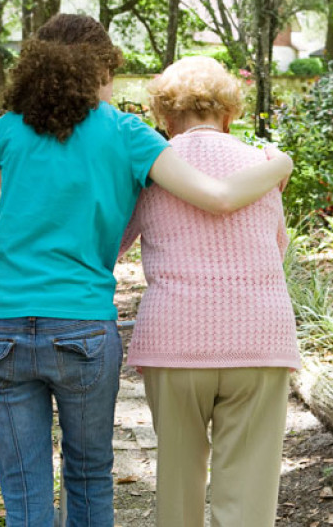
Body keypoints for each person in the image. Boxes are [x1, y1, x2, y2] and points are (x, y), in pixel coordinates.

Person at [0, 16, 292, 527]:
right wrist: (279, 166)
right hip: (78, 321)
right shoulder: (125, 134)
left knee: (24, 486)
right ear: (101, 69)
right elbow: (221, 199)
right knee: (90, 474)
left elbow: (22, 215)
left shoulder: (6, 129)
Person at [119, 56, 301, 527]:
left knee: (177, 486)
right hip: (259, 341)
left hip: (174, 342)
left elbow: (113, 243)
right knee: (248, 496)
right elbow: (276, 248)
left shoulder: (151, 170)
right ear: (229, 112)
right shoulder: (263, 166)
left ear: (163, 115)